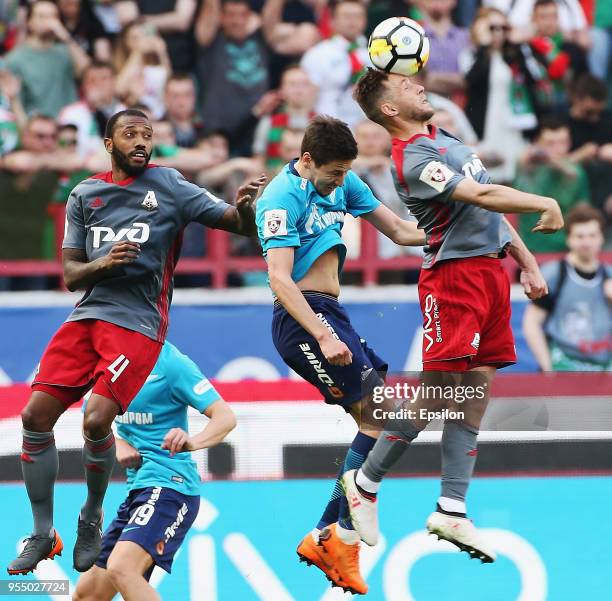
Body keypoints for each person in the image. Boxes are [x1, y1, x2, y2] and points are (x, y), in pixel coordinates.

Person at [7, 108, 265, 576]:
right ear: (109, 144)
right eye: (131, 134)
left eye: (148, 135)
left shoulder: (170, 185)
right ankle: (43, 532)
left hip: (139, 324)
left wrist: (246, 207)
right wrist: (103, 264)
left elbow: (238, 224)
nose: (141, 141)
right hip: (88, 315)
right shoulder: (86, 194)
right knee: (33, 416)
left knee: (96, 417)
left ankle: (91, 515)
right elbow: (70, 275)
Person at [340, 68, 563, 564]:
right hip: (453, 279)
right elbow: (481, 196)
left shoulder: (446, 139)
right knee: (440, 393)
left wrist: (524, 260)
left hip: (491, 277)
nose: (419, 84)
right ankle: (365, 482)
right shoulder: (413, 158)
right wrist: (543, 202)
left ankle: (451, 508)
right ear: (390, 110)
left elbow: (489, 208)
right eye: (405, 85)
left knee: (474, 395)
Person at [256, 115, 425, 595]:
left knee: (383, 422)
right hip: (304, 320)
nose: (339, 182)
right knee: (384, 419)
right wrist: (324, 336)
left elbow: (397, 229)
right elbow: (280, 280)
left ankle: (323, 535)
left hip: (332, 313)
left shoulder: (344, 182)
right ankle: (335, 537)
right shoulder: (279, 198)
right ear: (306, 160)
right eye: (332, 173)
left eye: (344, 172)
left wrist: (450, 237)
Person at [71, 340, 236, 601]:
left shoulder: (171, 364)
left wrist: (192, 442)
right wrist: (118, 445)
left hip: (171, 486)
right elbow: (90, 421)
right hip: (137, 489)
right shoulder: (105, 360)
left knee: (123, 569)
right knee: (87, 595)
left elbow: (225, 417)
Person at [461, 8, 550, 182]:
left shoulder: (517, 53)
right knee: (489, 174)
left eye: (504, 28)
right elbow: (473, 82)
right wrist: (484, 47)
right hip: (487, 122)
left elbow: (534, 80)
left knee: (516, 172)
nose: (499, 33)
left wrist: (518, 45)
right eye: (493, 28)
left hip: (514, 121)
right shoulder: (471, 54)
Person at [523, 204, 611, 372]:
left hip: (603, 369)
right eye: (580, 236)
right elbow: (531, 323)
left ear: (601, 238)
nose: (587, 242)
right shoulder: (553, 274)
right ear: (569, 239)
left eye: (592, 235)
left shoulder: (609, 276)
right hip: (563, 364)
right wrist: (548, 368)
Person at [195, 0, 272, 155]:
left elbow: (272, 17)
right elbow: (210, 7)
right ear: (221, 18)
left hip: (257, 134)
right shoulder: (212, 41)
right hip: (220, 138)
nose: (236, 21)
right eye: (230, 15)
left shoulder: (261, 40)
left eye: (242, 15)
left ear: (250, 17)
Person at [516, 116, 591, 252]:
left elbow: (583, 210)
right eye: (550, 143)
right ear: (537, 142)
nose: (558, 149)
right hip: (530, 248)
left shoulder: (577, 171)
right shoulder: (527, 167)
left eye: (563, 142)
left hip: (567, 248)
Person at [4, 0, 90, 117]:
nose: (49, 22)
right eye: (42, 17)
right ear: (29, 22)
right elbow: (13, 102)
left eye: (53, 16)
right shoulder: (14, 59)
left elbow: (88, 73)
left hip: (70, 124)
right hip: (40, 127)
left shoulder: (66, 51)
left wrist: (66, 37)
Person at [300, 0, 370, 129]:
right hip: (328, 130)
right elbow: (306, 99)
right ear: (332, 20)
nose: (352, 21)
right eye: (346, 16)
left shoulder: (374, 55)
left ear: (365, 20)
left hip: (367, 132)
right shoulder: (316, 55)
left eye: (357, 16)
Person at [252, 65, 317, 173]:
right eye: (293, 84)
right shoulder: (269, 123)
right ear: (282, 90)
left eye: (304, 84)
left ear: (312, 89)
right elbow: (259, 161)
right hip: (275, 179)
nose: (299, 90)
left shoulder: (322, 126)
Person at [529, 0, 589, 112]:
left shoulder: (571, 48)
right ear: (533, 19)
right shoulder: (527, 49)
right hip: (536, 110)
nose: (549, 22)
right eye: (543, 17)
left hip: (567, 109)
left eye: (553, 17)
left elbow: (583, 81)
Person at [58, 61, 126, 158]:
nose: (98, 84)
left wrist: (100, 109)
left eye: (104, 79)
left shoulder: (125, 113)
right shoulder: (70, 113)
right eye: (92, 80)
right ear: (83, 85)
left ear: (114, 82)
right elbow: (63, 149)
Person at [419, 0, 470, 98]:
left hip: (461, 105)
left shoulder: (466, 37)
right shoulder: (415, 37)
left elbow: (469, 81)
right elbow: (420, 81)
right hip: (426, 101)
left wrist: (433, 78)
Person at [162, 74, 204, 149]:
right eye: (175, 96)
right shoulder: (156, 129)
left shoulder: (207, 127)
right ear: (165, 98)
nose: (181, 102)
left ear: (194, 97)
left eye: (187, 95)